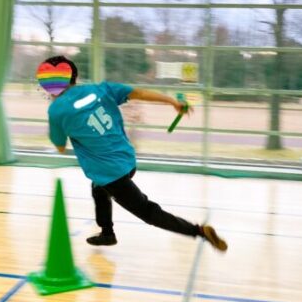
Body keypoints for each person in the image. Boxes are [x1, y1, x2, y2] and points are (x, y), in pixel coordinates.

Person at [36, 55, 227, 252]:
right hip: (127, 159)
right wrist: (172, 101)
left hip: (111, 174)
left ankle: (199, 231)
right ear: (73, 76)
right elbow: (140, 93)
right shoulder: (102, 89)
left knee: (148, 212)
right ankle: (107, 233)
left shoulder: (56, 111)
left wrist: (60, 130)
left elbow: (60, 147)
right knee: (98, 189)